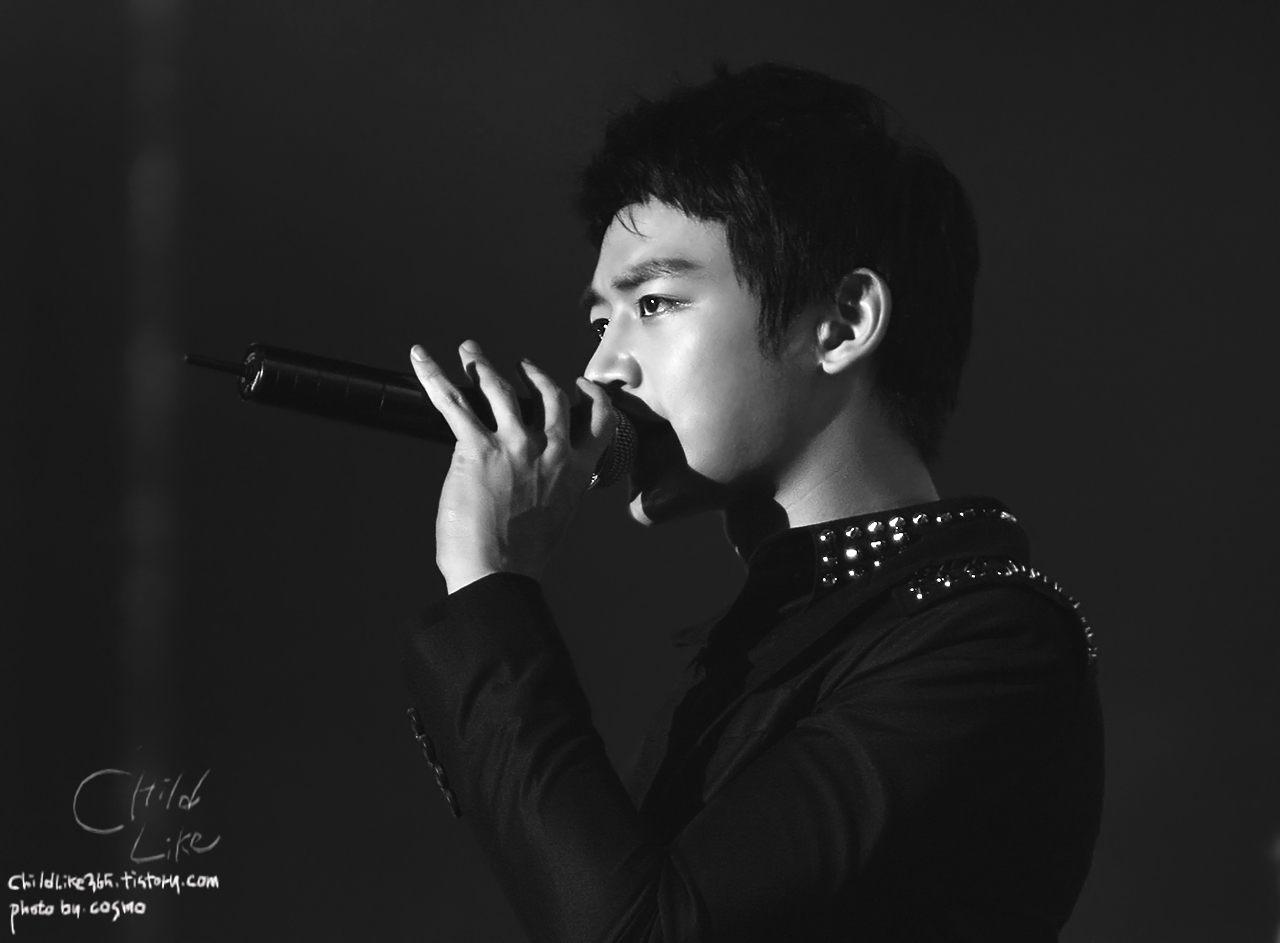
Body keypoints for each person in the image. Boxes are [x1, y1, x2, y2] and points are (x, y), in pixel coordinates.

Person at [401, 62, 1103, 942]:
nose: (601, 370)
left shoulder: (989, 641)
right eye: (600, 322)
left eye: (654, 302)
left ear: (842, 323)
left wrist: (492, 587)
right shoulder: (770, 643)